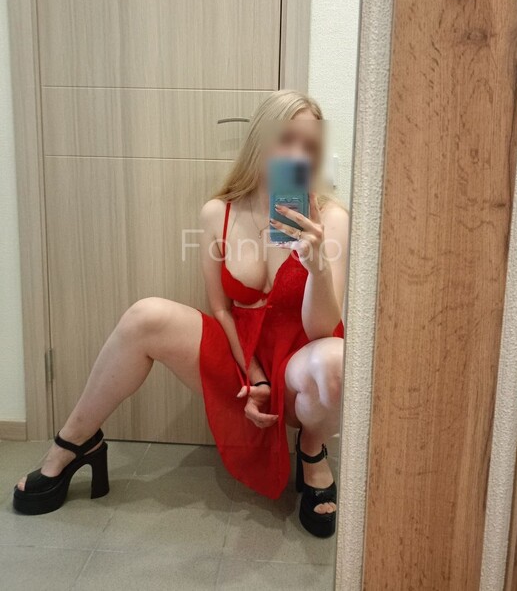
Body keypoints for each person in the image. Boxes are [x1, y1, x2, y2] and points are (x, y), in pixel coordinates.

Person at [13, 90, 348, 538]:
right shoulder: (217, 213)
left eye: (308, 145)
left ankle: (312, 449)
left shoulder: (331, 220)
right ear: (259, 139)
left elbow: (322, 330)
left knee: (335, 360)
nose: (296, 154)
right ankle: (75, 442)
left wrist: (318, 265)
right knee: (144, 316)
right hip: (242, 352)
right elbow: (220, 308)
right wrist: (252, 374)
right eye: (286, 139)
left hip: (300, 366)